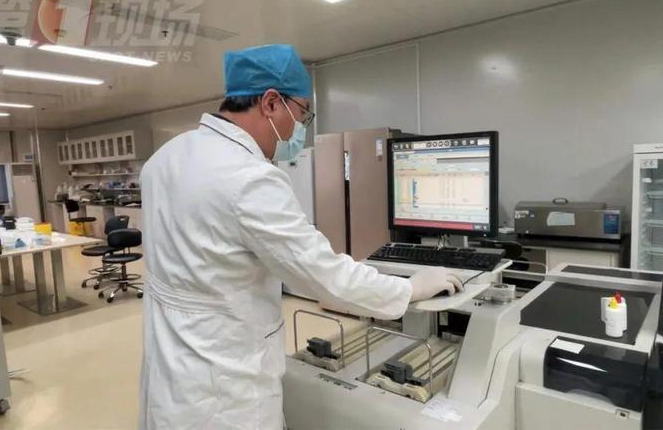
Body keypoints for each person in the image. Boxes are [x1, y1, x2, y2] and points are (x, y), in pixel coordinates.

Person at [138, 44, 463, 430]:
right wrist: (410, 288)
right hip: (225, 390)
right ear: (271, 103)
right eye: (302, 113)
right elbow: (325, 277)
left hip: (168, 377)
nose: (298, 129)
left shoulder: (165, 158)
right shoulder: (248, 178)